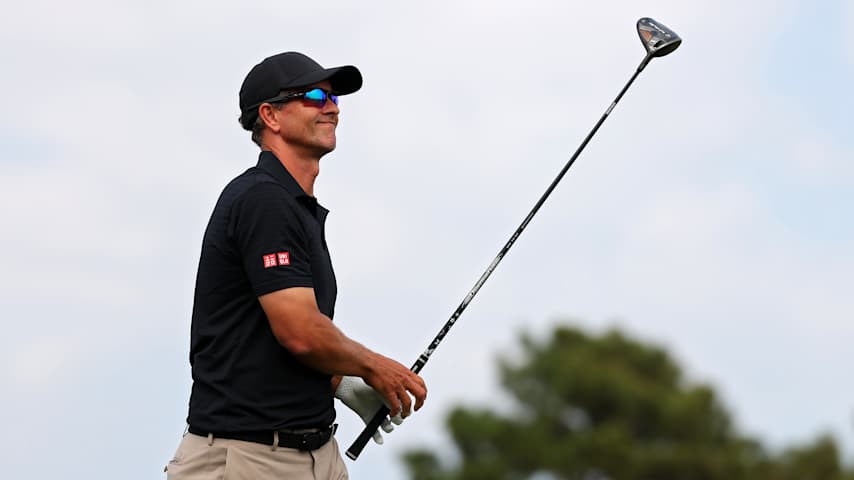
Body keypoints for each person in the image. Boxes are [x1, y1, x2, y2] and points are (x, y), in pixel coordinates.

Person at [165, 51, 427, 479]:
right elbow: (300, 331)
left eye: (335, 98)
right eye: (315, 94)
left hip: (317, 454)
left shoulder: (293, 207)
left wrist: (341, 383)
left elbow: (263, 343)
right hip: (247, 459)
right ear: (270, 116)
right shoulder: (262, 200)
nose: (331, 106)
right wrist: (375, 367)